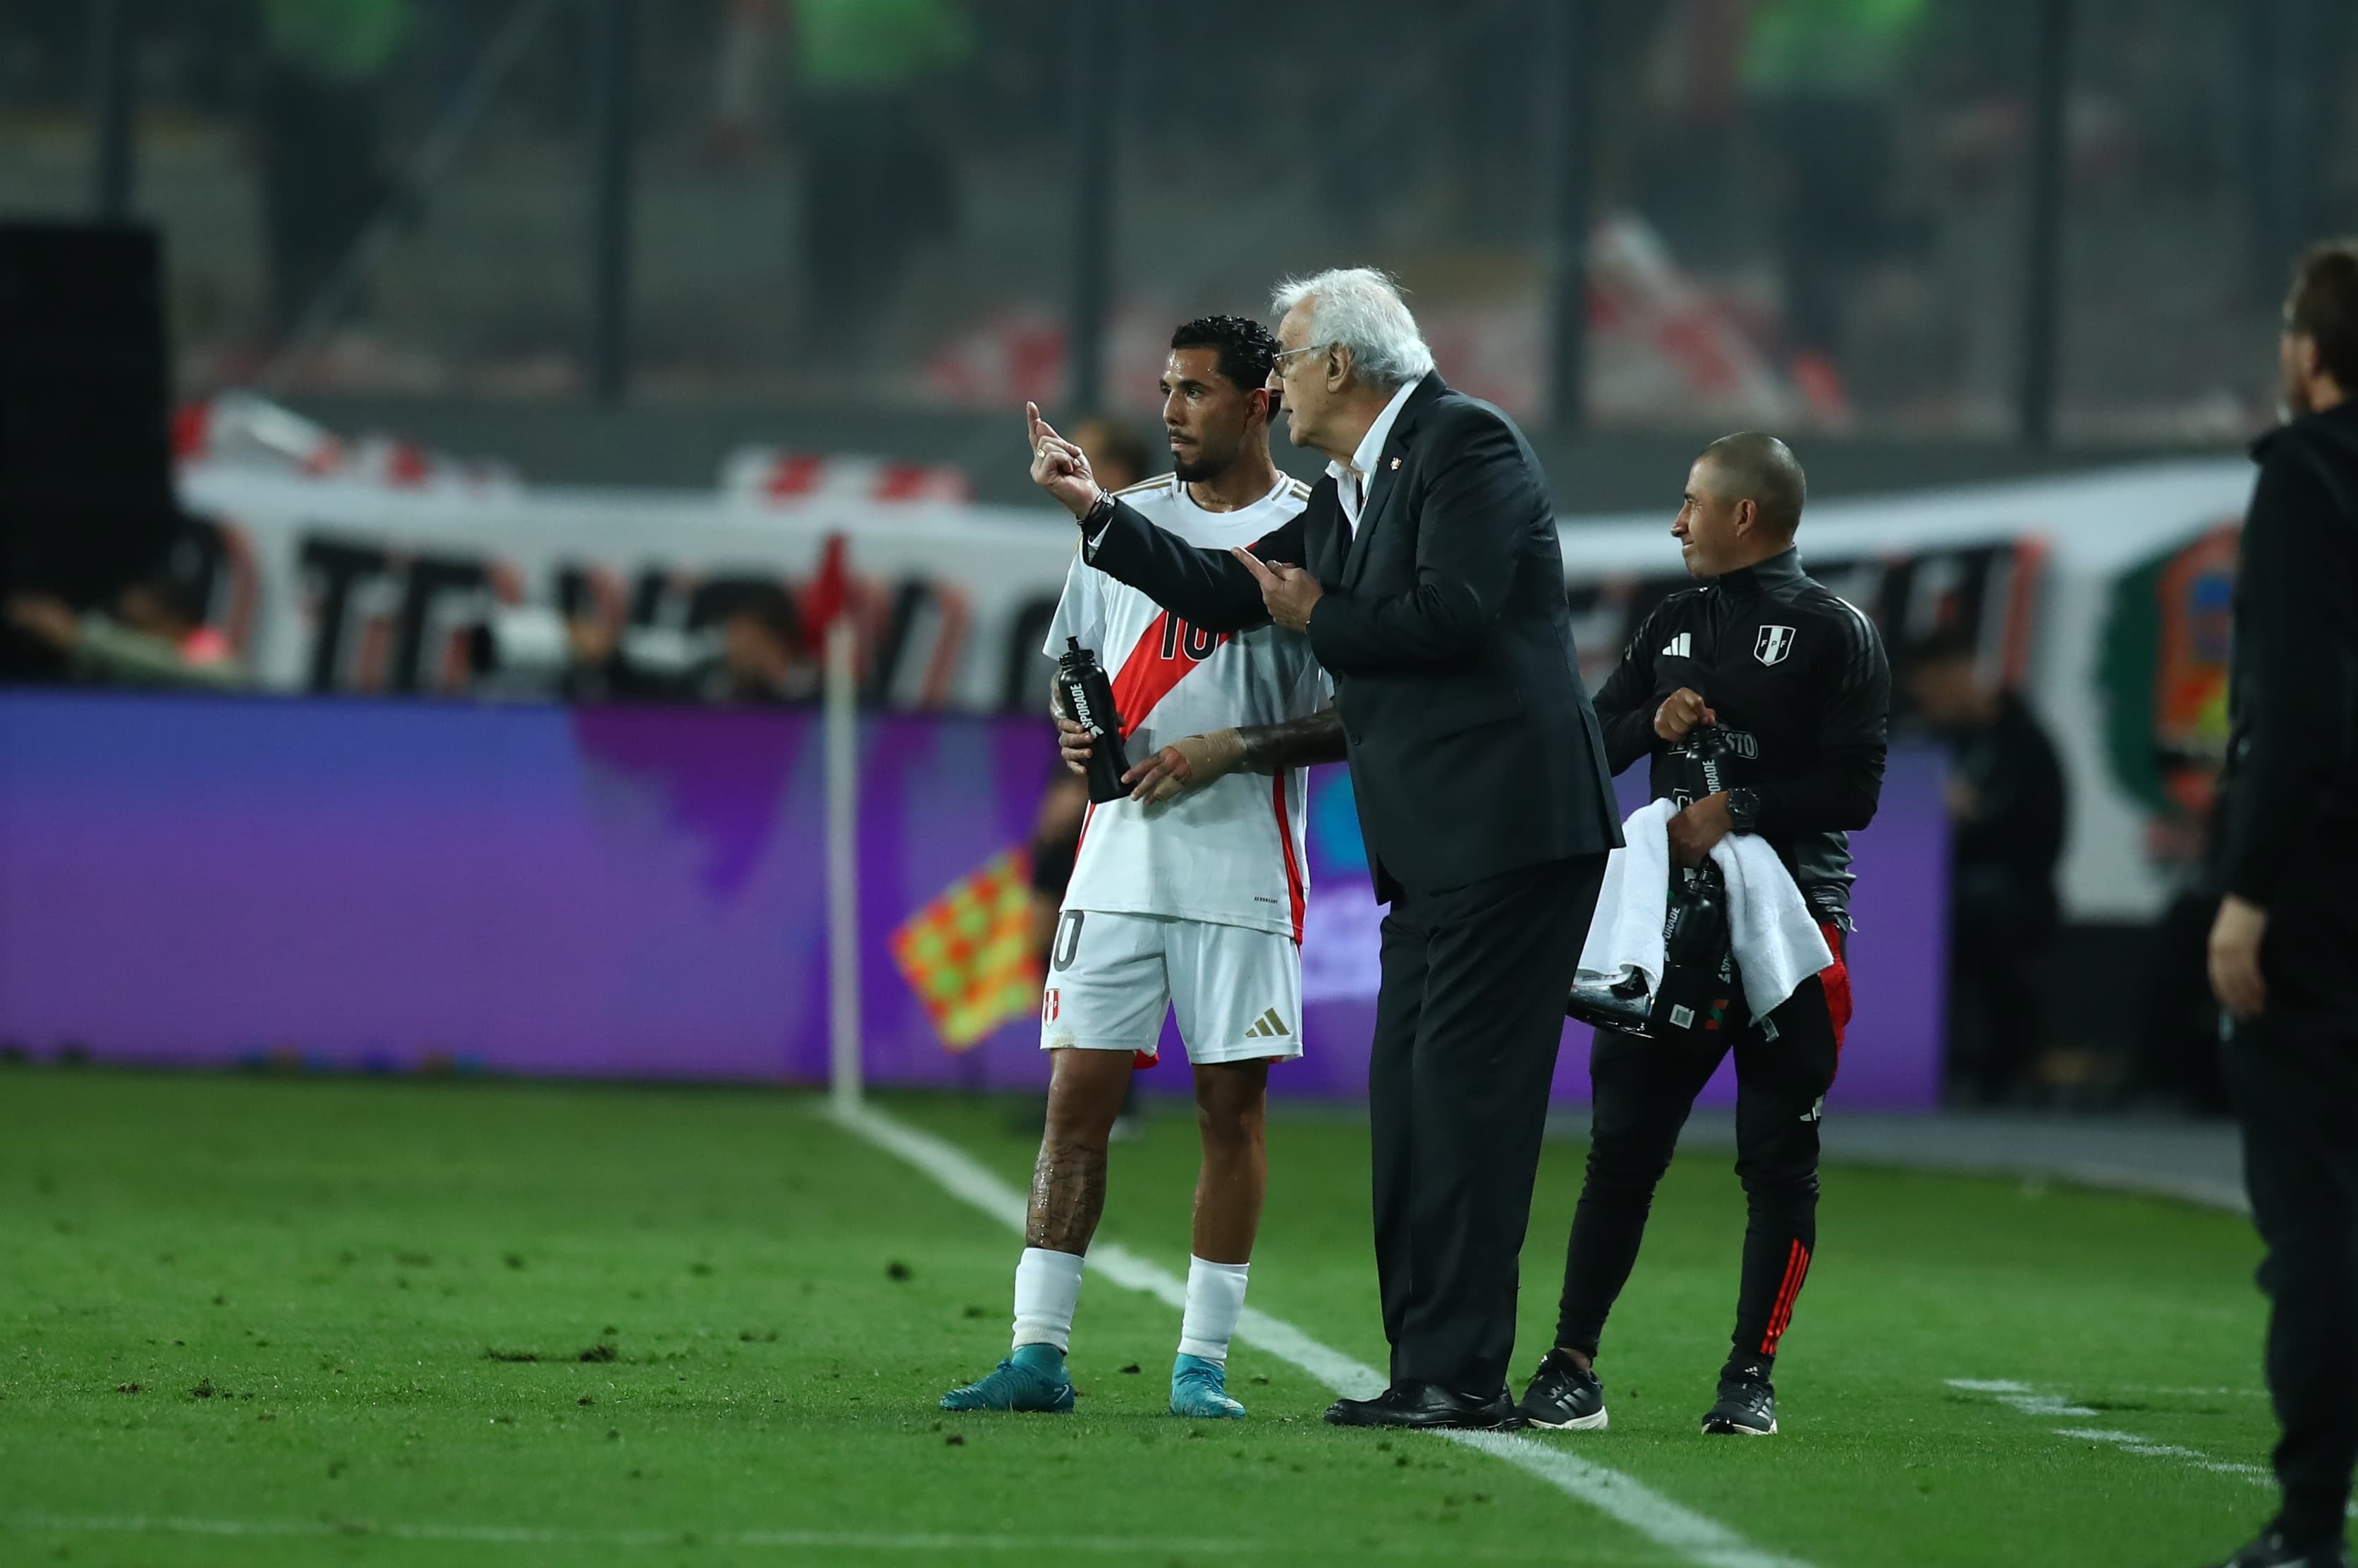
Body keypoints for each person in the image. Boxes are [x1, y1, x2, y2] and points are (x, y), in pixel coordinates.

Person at [1028, 268, 1622, 1431]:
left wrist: (1319, 619)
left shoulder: (1467, 448)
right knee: (1408, 1102)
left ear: (1340, 367)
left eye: (1288, 362)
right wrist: (1096, 512)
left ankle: (1459, 1372)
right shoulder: (1353, 489)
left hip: (1509, 827)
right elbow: (1222, 586)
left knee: (1465, 1103)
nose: (1277, 384)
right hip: (1437, 845)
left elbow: (1449, 614)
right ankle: (1423, 1368)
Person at [942, 316, 1324, 1422]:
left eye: (1196, 391)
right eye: (1165, 389)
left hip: (1246, 863)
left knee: (1228, 1109)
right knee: (1077, 1103)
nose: (1171, 410)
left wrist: (1236, 750)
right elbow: (1075, 658)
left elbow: (1362, 711)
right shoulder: (1127, 522)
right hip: (1117, 862)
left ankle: (1200, 1365)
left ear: (1258, 403)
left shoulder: (1317, 526)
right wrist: (1076, 727)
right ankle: (1037, 1354)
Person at [1527, 434, 1889, 1439]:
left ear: (1744, 516)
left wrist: (1738, 806)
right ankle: (1571, 1366)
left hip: (1793, 925)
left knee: (1778, 1158)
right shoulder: (1671, 620)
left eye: (1692, 503)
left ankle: (1751, 1376)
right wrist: (1652, 718)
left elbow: (1856, 791)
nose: (1677, 522)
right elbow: (1591, 742)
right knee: (1622, 1149)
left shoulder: (1836, 631)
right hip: (1671, 928)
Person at [2203, 240, 2358, 1568]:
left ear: (2309, 355)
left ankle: (2310, 1519)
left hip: (2321, 896)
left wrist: (2245, 892)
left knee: (2316, 1214)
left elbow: (2296, 713)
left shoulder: (2305, 476)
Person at [1905, 630, 2068, 1104]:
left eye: (1939, 688)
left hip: (2010, 884)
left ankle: (2007, 1064)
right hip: (1930, 882)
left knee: (1981, 915)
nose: (1932, 702)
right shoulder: (1924, 741)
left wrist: (1973, 817)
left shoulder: (2023, 742)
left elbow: (2039, 835)